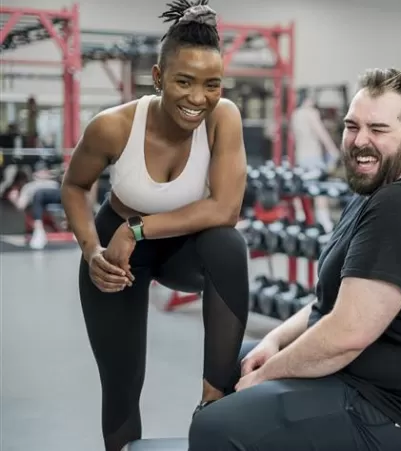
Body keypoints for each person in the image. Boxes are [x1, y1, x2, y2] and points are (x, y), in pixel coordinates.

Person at [188, 68, 401, 451]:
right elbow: (327, 302)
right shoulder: (372, 192)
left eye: (378, 130)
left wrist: (267, 377)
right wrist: (275, 340)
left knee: (217, 427)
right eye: (352, 126)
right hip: (364, 379)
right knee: (234, 360)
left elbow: (347, 334)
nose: (360, 141)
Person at [60, 2, 249, 450]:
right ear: (159, 77)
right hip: (118, 254)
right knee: (122, 387)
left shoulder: (224, 118)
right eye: (184, 81)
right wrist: (93, 251)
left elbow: (225, 210)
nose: (198, 98)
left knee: (228, 245)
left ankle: (212, 405)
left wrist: (136, 228)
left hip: (182, 247)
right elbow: (75, 186)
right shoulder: (112, 127)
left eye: (211, 84)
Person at [290, 89, 341, 231]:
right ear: (308, 100)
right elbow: (321, 133)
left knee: (301, 190)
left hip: (301, 157)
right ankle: (325, 224)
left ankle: (301, 220)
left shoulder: (295, 115)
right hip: (313, 157)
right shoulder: (311, 113)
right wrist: (333, 150)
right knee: (319, 192)